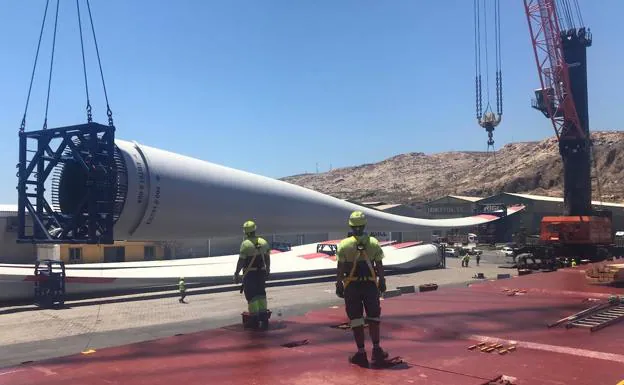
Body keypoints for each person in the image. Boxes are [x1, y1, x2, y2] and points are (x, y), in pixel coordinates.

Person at [335, 211, 389, 367]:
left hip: (352, 286)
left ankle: (361, 353)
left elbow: (340, 267)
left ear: (351, 226)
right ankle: (377, 350)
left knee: (356, 319)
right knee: (373, 318)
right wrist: (382, 281)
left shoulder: (345, 244)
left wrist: (339, 284)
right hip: (370, 286)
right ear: (364, 225)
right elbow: (379, 265)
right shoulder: (373, 242)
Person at [234, 220, 271, 330]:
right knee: (261, 294)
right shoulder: (263, 242)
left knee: (252, 296)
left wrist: (236, 273)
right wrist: (268, 269)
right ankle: (264, 318)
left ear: (245, 232)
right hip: (261, 273)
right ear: (255, 230)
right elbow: (268, 258)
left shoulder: (245, 244)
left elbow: (241, 261)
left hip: (250, 274)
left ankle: (254, 320)